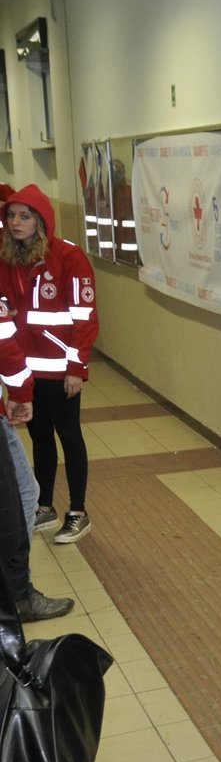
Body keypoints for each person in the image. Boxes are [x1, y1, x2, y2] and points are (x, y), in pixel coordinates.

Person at [0, 186, 97, 545]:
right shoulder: (8, 257)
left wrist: (77, 367)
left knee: (69, 436)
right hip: (27, 369)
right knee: (40, 438)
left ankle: (78, 511)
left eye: (24, 216)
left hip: (61, 369)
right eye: (11, 215)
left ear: (40, 220)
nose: (15, 223)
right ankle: (45, 505)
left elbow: (85, 317)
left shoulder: (68, 256)